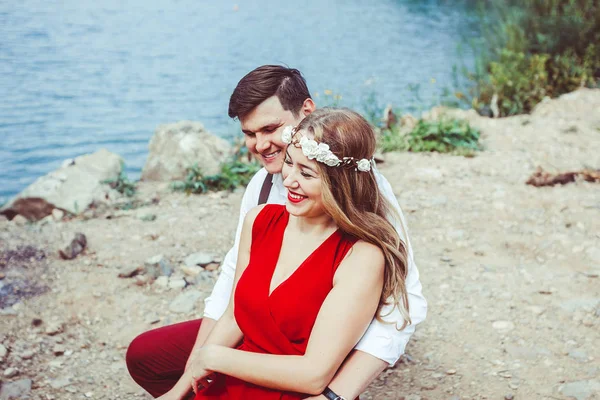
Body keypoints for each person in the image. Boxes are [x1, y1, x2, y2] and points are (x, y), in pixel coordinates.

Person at [126, 66, 427, 400]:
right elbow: (232, 289)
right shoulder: (261, 196)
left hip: (317, 347)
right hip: (260, 325)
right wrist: (188, 378)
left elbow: (403, 305)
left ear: (306, 113)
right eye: (249, 133)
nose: (260, 145)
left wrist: (334, 395)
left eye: (270, 129)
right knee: (146, 356)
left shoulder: (367, 206)